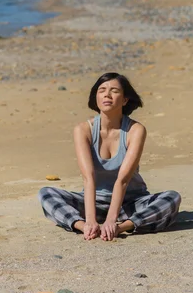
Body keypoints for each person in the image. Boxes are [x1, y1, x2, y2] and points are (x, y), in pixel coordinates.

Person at [38, 72, 182, 241]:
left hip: (131, 203)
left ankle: (124, 226)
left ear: (125, 99)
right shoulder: (83, 130)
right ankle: (81, 225)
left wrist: (113, 222)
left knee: (172, 197)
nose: (107, 94)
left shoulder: (135, 130)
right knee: (46, 193)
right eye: (102, 90)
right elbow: (88, 178)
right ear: (96, 98)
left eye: (114, 90)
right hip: (93, 203)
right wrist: (89, 222)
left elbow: (123, 180)